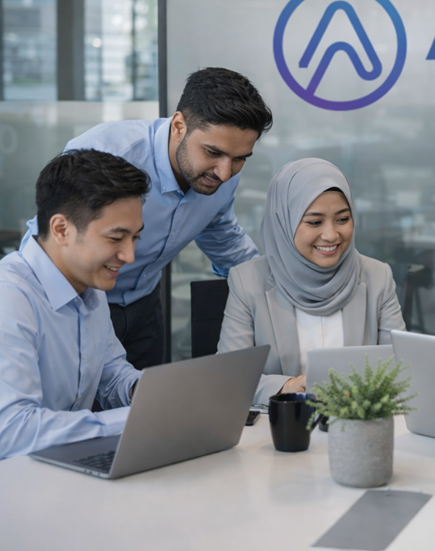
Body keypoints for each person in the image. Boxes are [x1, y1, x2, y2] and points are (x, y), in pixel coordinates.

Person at [21, 67, 273, 370]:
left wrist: (270, 287)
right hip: (82, 304)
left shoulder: (223, 170)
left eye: (239, 158)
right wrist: (31, 317)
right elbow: (46, 241)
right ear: (179, 126)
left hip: (145, 304)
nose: (225, 172)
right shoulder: (107, 152)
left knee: (141, 396)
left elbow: (220, 232)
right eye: (212, 152)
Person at [0, 150, 149, 468]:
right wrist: (134, 419)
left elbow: (111, 373)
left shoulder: (89, 285)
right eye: (116, 238)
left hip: (59, 469)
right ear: (61, 230)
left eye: (135, 238)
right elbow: (15, 433)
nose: (129, 255)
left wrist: (152, 395)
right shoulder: (4, 299)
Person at [217, 158, 406, 404]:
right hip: (283, 425)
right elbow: (229, 378)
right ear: (283, 221)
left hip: (357, 421)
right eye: (314, 222)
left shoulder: (378, 277)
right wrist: (286, 387)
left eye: (342, 219)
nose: (331, 235)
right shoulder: (247, 282)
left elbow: (401, 371)